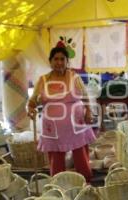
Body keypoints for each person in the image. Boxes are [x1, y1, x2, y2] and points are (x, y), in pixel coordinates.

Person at [27, 47, 96, 182]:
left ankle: (85, 181)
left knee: (80, 154)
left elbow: (85, 96)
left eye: (62, 59)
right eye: (56, 59)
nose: (59, 62)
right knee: (56, 157)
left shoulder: (74, 77)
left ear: (67, 61)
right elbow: (33, 100)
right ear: (50, 61)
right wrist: (30, 108)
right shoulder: (43, 80)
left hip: (76, 124)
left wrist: (88, 110)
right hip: (52, 128)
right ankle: (58, 184)